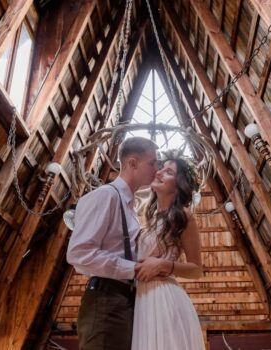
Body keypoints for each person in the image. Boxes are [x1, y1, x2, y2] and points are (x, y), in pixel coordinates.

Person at [66, 137, 159, 350]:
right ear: (133, 163)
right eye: (152, 162)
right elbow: (80, 253)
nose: (157, 168)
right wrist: (134, 269)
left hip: (125, 300)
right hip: (105, 299)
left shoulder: (131, 207)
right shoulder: (104, 197)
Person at [132, 151, 205, 349]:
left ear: (178, 185)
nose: (159, 173)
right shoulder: (149, 217)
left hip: (164, 298)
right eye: (161, 168)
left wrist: (163, 264)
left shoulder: (183, 216)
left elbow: (196, 269)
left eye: (169, 172)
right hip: (141, 298)